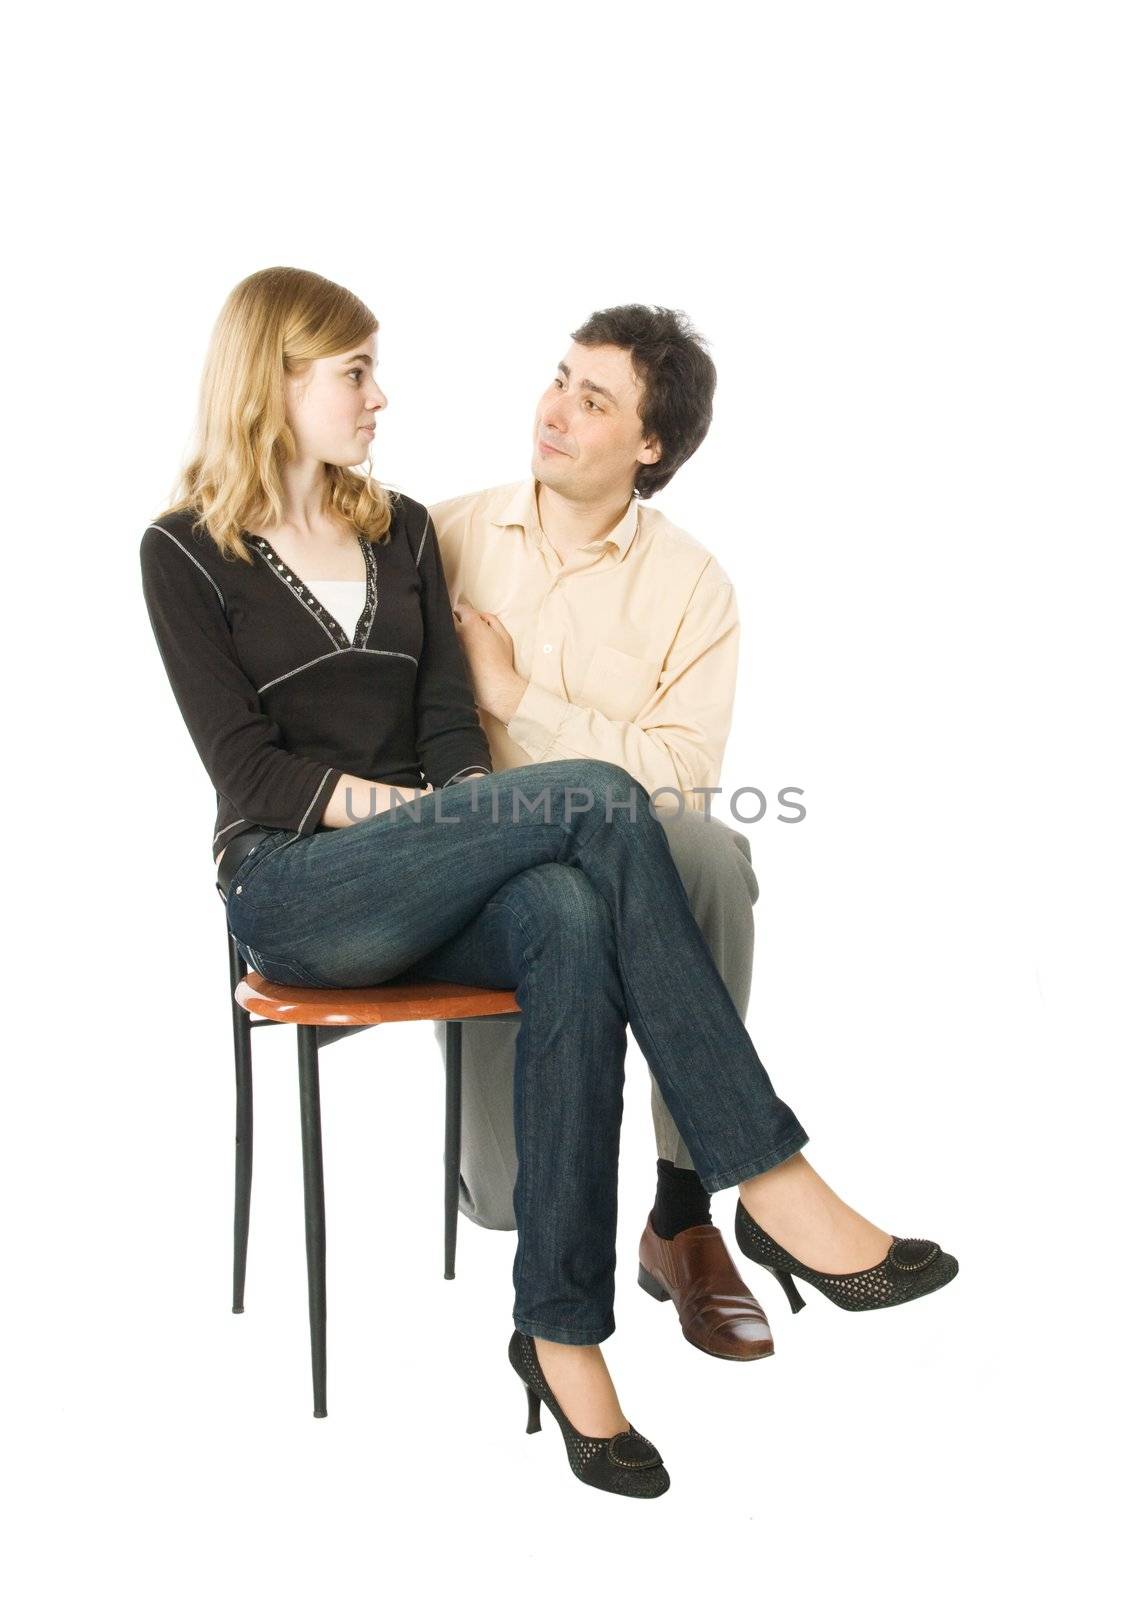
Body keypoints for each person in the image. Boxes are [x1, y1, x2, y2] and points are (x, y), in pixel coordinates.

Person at [140, 267, 958, 1502]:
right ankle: (769, 1181)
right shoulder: (183, 551)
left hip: (441, 874)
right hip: (295, 885)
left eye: (371, 369)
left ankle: (561, 1335)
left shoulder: (403, 528)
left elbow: (451, 728)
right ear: (277, 382)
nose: (380, 395)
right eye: (355, 372)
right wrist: (434, 811)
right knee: (593, 794)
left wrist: (465, 798)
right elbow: (247, 770)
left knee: (579, 900)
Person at [430, 305, 774, 1361]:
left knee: (713, 854)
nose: (556, 412)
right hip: (487, 882)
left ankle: (682, 1210)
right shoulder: (437, 537)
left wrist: (517, 697)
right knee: (505, 1200)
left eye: (595, 399)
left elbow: (679, 786)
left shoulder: (693, 588)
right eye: (558, 380)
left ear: (650, 444)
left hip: (635, 866)